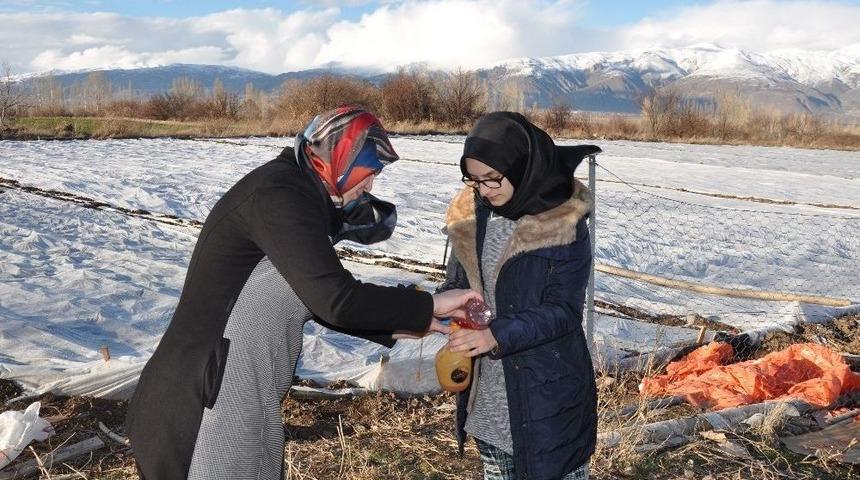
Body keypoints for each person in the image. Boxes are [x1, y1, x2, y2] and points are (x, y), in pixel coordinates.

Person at [125, 105, 480, 480]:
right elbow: (335, 299)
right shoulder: (278, 195)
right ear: (337, 156)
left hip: (238, 395)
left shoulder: (296, 196)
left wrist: (418, 321)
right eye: (368, 171)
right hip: (205, 404)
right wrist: (428, 304)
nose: (370, 186)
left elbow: (313, 298)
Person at [438, 111, 599, 480]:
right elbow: (456, 285)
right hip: (490, 401)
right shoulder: (471, 217)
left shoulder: (563, 222)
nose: (484, 190)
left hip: (547, 400)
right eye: (474, 180)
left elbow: (563, 311)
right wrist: (449, 308)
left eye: (493, 178)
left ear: (522, 165)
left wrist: (496, 333)